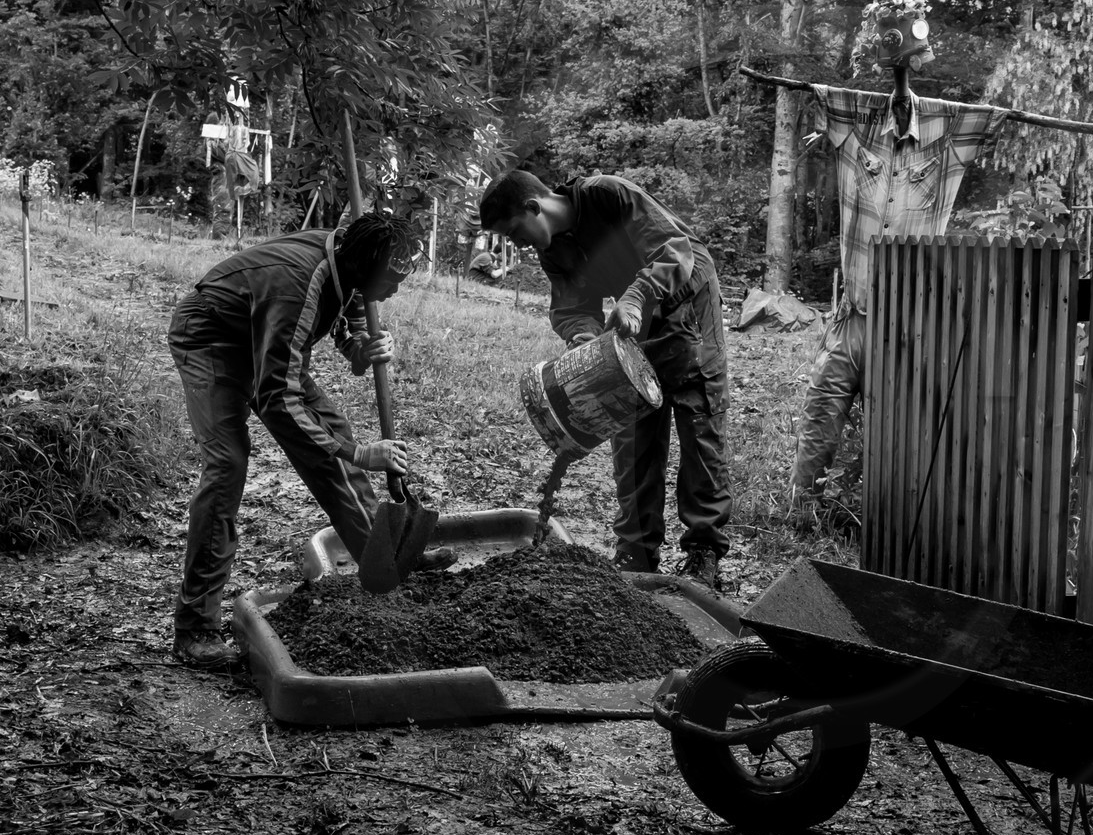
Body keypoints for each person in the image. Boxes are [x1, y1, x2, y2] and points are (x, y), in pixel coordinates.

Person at [167, 213, 452, 670]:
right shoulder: (297, 283)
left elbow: (347, 321)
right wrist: (358, 453)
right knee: (227, 466)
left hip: (266, 338)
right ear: (362, 267)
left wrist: (362, 348)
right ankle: (195, 626)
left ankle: (386, 562)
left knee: (330, 436)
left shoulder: (350, 263)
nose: (395, 292)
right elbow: (278, 396)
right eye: (390, 281)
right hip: (213, 339)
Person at [782, 0, 1011, 499]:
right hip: (854, 315)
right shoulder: (858, 134)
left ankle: (885, 509)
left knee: (899, 424)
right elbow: (820, 97)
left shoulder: (945, 145)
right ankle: (802, 506)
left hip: (906, 323)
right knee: (824, 403)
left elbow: (994, 117)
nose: (904, 106)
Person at [477, 168, 730, 589]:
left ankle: (703, 552)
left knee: (697, 420)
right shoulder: (553, 251)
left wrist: (637, 296)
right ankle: (636, 551)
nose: (515, 244)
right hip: (635, 320)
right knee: (630, 426)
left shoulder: (606, 195)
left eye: (514, 231)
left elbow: (675, 249)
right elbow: (573, 309)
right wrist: (583, 338)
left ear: (533, 206)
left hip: (687, 297)